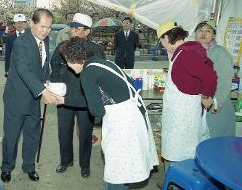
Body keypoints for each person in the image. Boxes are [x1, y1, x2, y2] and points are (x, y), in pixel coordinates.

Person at [60, 37, 158, 190]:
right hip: (134, 115)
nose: (67, 65)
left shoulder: (87, 73)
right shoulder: (102, 63)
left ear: (74, 58)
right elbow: (127, 84)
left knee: (116, 171)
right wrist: (63, 100)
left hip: (123, 123)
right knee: (125, 169)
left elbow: (96, 110)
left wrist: (64, 100)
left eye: (67, 60)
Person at [1, 8, 63, 183]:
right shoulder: (21, 43)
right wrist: (43, 91)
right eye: (42, 26)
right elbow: (24, 70)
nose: (46, 31)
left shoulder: (46, 40)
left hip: (34, 98)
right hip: (17, 98)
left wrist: (47, 83)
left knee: (32, 135)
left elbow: (42, 67)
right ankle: (7, 167)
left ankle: (29, 166)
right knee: (12, 136)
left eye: (49, 27)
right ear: (32, 23)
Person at [51, 13, 105, 178]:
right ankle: (66, 160)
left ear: (87, 31)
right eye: (72, 27)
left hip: (85, 99)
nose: (73, 30)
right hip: (64, 98)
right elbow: (54, 69)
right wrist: (54, 87)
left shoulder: (96, 51)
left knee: (85, 133)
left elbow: (100, 77)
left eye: (77, 28)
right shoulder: (62, 47)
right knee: (64, 131)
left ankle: (85, 164)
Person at [156, 21, 217, 163]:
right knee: (182, 150)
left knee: (183, 153)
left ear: (166, 38)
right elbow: (207, 67)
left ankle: (182, 180)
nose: (163, 45)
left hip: (183, 115)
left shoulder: (186, 54)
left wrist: (207, 95)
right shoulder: (184, 51)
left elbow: (209, 75)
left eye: (162, 41)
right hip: (180, 112)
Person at [194, 19, 235, 137]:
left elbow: (225, 81)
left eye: (208, 30)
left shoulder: (220, 53)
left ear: (213, 35)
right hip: (201, 104)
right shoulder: (193, 52)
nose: (203, 33)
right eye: (200, 30)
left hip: (216, 105)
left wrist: (218, 103)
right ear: (195, 34)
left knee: (216, 142)